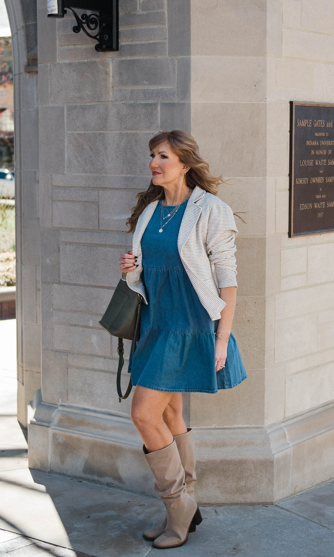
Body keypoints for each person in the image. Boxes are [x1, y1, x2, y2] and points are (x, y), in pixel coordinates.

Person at [119, 130, 246, 550]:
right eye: (152, 156)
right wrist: (130, 270)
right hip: (156, 321)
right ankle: (185, 504)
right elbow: (148, 274)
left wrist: (222, 340)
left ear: (185, 164)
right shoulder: (150, 211)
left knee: (144, 415)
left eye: (163, 156)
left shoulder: (211, 209)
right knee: (169, 416)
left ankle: (178, 509)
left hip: (190, 324)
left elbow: (227, 280)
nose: (154, 163)